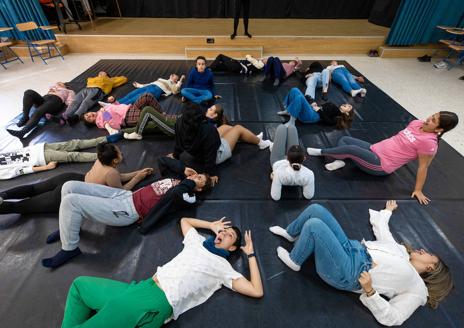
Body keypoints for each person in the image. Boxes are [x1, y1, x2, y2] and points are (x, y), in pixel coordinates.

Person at [269, 201, 453, 326]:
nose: (423, 250)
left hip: (349, 273)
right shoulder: (401, 251)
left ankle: (295, 260)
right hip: (353, 249)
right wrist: (388, 211)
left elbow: (394, 318)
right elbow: (383, 230)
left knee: (314, 226)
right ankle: (291, 232)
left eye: (429, 254)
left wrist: (371, 292)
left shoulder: (417, 288)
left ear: (431, 267)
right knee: (316, 209)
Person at [60, 216, 263, 327]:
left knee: (115, 307)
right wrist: (211, 225)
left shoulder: (223, 268)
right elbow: (185, 221)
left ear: (233, 248)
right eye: (223, 231)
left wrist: (251, 254)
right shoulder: (198, 242)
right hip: (143, 288)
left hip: (157, 301)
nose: (222, 234)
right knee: (80, 286)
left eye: (228, 236)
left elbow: (256, 291)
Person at [41, 157, 214, 268]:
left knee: (71, 201)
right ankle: (70, 226)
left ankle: (69, 248)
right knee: (69, 186)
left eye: (199, 179)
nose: (194, 178)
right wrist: (184, 170)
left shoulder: (188, 196)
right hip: (125, 196)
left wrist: (191, 183)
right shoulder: (178, 180)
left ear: (198, 189)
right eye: (197, 175)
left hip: (128, 211)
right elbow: (162, 161)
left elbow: (176, 194)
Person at [306, 112, 459, 204]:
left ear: (439, 129)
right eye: (432, 115)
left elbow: (423, 166)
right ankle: (341, 160)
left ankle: (321, 152)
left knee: (350, 149)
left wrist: (418, 190)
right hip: (374, 149)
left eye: (433, 120)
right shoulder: (416, 123)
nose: (428, 119)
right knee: (346, 140)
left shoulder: (429, 143)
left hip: (380, 165)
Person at [0, 143, 151, 215]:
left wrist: (137, 172)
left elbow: (119, 177)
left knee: (34, 189)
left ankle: (3, 195)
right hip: (67, 193)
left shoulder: (100, 161)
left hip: (70, 178)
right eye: (119, 152)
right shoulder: (110, 172)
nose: (120, 152)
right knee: (21, 206)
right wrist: (137, 178)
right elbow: (122, 191)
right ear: (115, 161)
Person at [173, 104, 272, 181]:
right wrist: (209, 174)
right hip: (216, 155)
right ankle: (261, 143)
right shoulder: (208, 129)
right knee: (238, 128)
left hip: (198, 150)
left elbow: (178, 141)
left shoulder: (179, 123)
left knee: (225, 127)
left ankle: (251, 137)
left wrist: (175, 155)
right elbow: (210, 154)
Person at [0, 135, 120, 181]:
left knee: (75, 143)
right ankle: (108, 156)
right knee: (72, 156)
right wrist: (46, 167)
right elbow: (19, 171)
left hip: (40, 147)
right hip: (42, 156)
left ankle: (105, 139)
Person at [123, 103, 228, 141]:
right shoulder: (203, 118)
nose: (208, 109)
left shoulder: (207, 125)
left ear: (214, 115)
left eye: (210, 110)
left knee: (147, 110)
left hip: (174, 129)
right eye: (209, 108)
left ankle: (137, 134)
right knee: (146, 125)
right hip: (173, 121)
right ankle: (117, 132)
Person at [6, 83, 75, 139]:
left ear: (66, 86)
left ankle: (22, 132)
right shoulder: (54, 88)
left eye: (61, 83)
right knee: (28, 92)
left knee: (38, 112)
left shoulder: (69, 91)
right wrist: (55, 88)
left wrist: (67, 113)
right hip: (44, 99)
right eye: (58, 83)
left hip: (55, 101)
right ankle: (25, 116)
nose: (59, 83)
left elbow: (71, 101)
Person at [82, 93, 168, 135]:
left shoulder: (101, 110)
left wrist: (114, 101)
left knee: (146, 96)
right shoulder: (100, 122)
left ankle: (161, 114)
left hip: (130, 108)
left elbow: (118, 107)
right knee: (148, 113)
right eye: (89, 118)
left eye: (87, 114)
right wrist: (105, 113)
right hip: (127, 117)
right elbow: (116, 125)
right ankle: (167, 119)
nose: (89, 115)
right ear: (93, 122)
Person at [59, 71, 128, 125]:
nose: (101, 72)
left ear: (107, 74)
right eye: (100, 72)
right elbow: (89, 80)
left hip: (98, 90)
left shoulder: (111, 80)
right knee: (75, 101)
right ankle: (64, 117)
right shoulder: (93, 78)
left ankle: (75, 118)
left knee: (85, 103)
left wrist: (110, 79)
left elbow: (124, 79)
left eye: (103, 72)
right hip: (86, 89)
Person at [269, 124, 314, 201]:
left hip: (278, 162)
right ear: (304, 159)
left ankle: (273, 147)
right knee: (291, 127)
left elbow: (275, 197)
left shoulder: (279, 174)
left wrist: (274, 177)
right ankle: (273, 147)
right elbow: (308, 196)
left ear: (287, 158)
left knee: (282, 127)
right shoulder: (309, 174)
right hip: (282, 162)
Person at [278, 88, 354, 129]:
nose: (347, 104)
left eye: (349, 106)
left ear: (347, 113)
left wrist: (319, 110)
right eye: (347, 104)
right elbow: (324, 108)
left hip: (314, 116)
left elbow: (329, 122)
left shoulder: (338, 116)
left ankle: (292, 122)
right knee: (295, 90)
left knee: (300, 97)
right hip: (312, 111)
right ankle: (288, 110)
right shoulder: (335, 108)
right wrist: (315, 105)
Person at [105, 73, 185, 105]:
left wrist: (181, 79)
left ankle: (118, 106)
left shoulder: (173, 85)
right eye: (174, 75)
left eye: (176, 78)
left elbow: (175, 91)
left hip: (157, 90)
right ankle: (116, 103)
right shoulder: (162, 79)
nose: (175, 77)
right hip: (150, 86)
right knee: (131, 94)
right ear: (170, 76)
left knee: (136, 97)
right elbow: (151, 83)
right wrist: (140, 85)